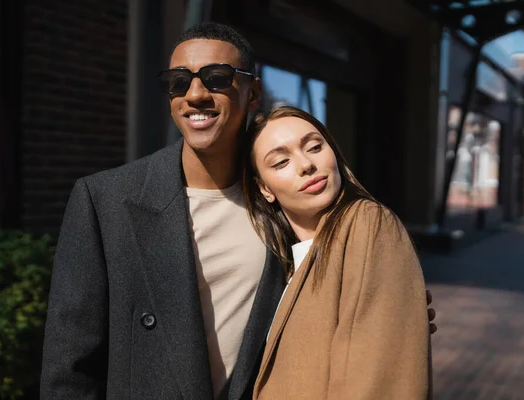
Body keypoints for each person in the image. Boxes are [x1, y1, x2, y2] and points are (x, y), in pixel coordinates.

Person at [40, 22, 436, 400]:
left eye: (217, 77)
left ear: (253, 92)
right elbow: (69, 367)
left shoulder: (279, 197)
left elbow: (327, 285)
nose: (194, 94)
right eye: (178, 81)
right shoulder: (105, 200)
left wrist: (396, 307)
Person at [243, 106, 432, 399]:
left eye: (315, 147)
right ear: (264, 189)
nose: (306, 164)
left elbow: (378, 383)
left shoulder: (368, 223)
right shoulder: (288, 267)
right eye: (281, 162)